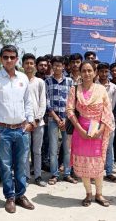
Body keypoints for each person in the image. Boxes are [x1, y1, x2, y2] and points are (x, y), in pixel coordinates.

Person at [0, 45, 35, 213]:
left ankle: (21, 195)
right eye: (5, 57)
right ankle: (10, 197)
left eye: (12, 57)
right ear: (1, 59)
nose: (9, 60)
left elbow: (28, 102)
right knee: (5, 165)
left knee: (21, 163)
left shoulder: (23, 78)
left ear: (16, 59)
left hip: (21, 129)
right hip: (2, 129)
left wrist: (29, 122)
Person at [66, 61, 115, 207]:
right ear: (80, 72)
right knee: (83, 165)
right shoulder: (74, 90)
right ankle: (88, 194)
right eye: (84, 71)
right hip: (80, 131)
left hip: (98, 132)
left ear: (95, 73)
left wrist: (100, 131)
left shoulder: (101, 90)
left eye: (90, 71)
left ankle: (99, 194)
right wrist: (80, 129)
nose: (87, 74)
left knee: (98, 165)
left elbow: (107, 111)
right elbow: (69, 110)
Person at [44, 56, 77, 185]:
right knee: (53, 148)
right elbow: (47, 102)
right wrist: (57, 118)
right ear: (52, 67)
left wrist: (65, 118)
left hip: (67, 119)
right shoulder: (47, 82)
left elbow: (72, 101)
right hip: (53, 119)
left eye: (60, 65)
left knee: (68, 148)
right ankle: (54, 174)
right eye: (55, 65)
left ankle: (67, 173)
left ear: (64, 66)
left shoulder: (69, 81)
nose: (57, 67)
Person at [22, 54, 47, 187]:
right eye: (27, 63)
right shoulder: (18, 81)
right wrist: (26, 121)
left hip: (38, 122)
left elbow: (43, 102)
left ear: (35, 66)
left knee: (37, 150)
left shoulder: (40, 82)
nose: (29, 66)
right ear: (22, 65)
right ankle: (25, 176)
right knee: (25, 151)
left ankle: (38, 176)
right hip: (24, 123)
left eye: (32, 63)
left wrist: (37, 119)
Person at [96, 63, 116, 181]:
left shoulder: (113, 87)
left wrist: (107, 114)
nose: (104, 74)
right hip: (96, 121)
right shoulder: (94, 85)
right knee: (97, 147)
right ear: (98, 72)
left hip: (109, 120)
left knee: (109, 147)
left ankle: (109, 171)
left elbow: (112, 105)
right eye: (102, 71)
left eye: (106, 72)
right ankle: (97, 172)